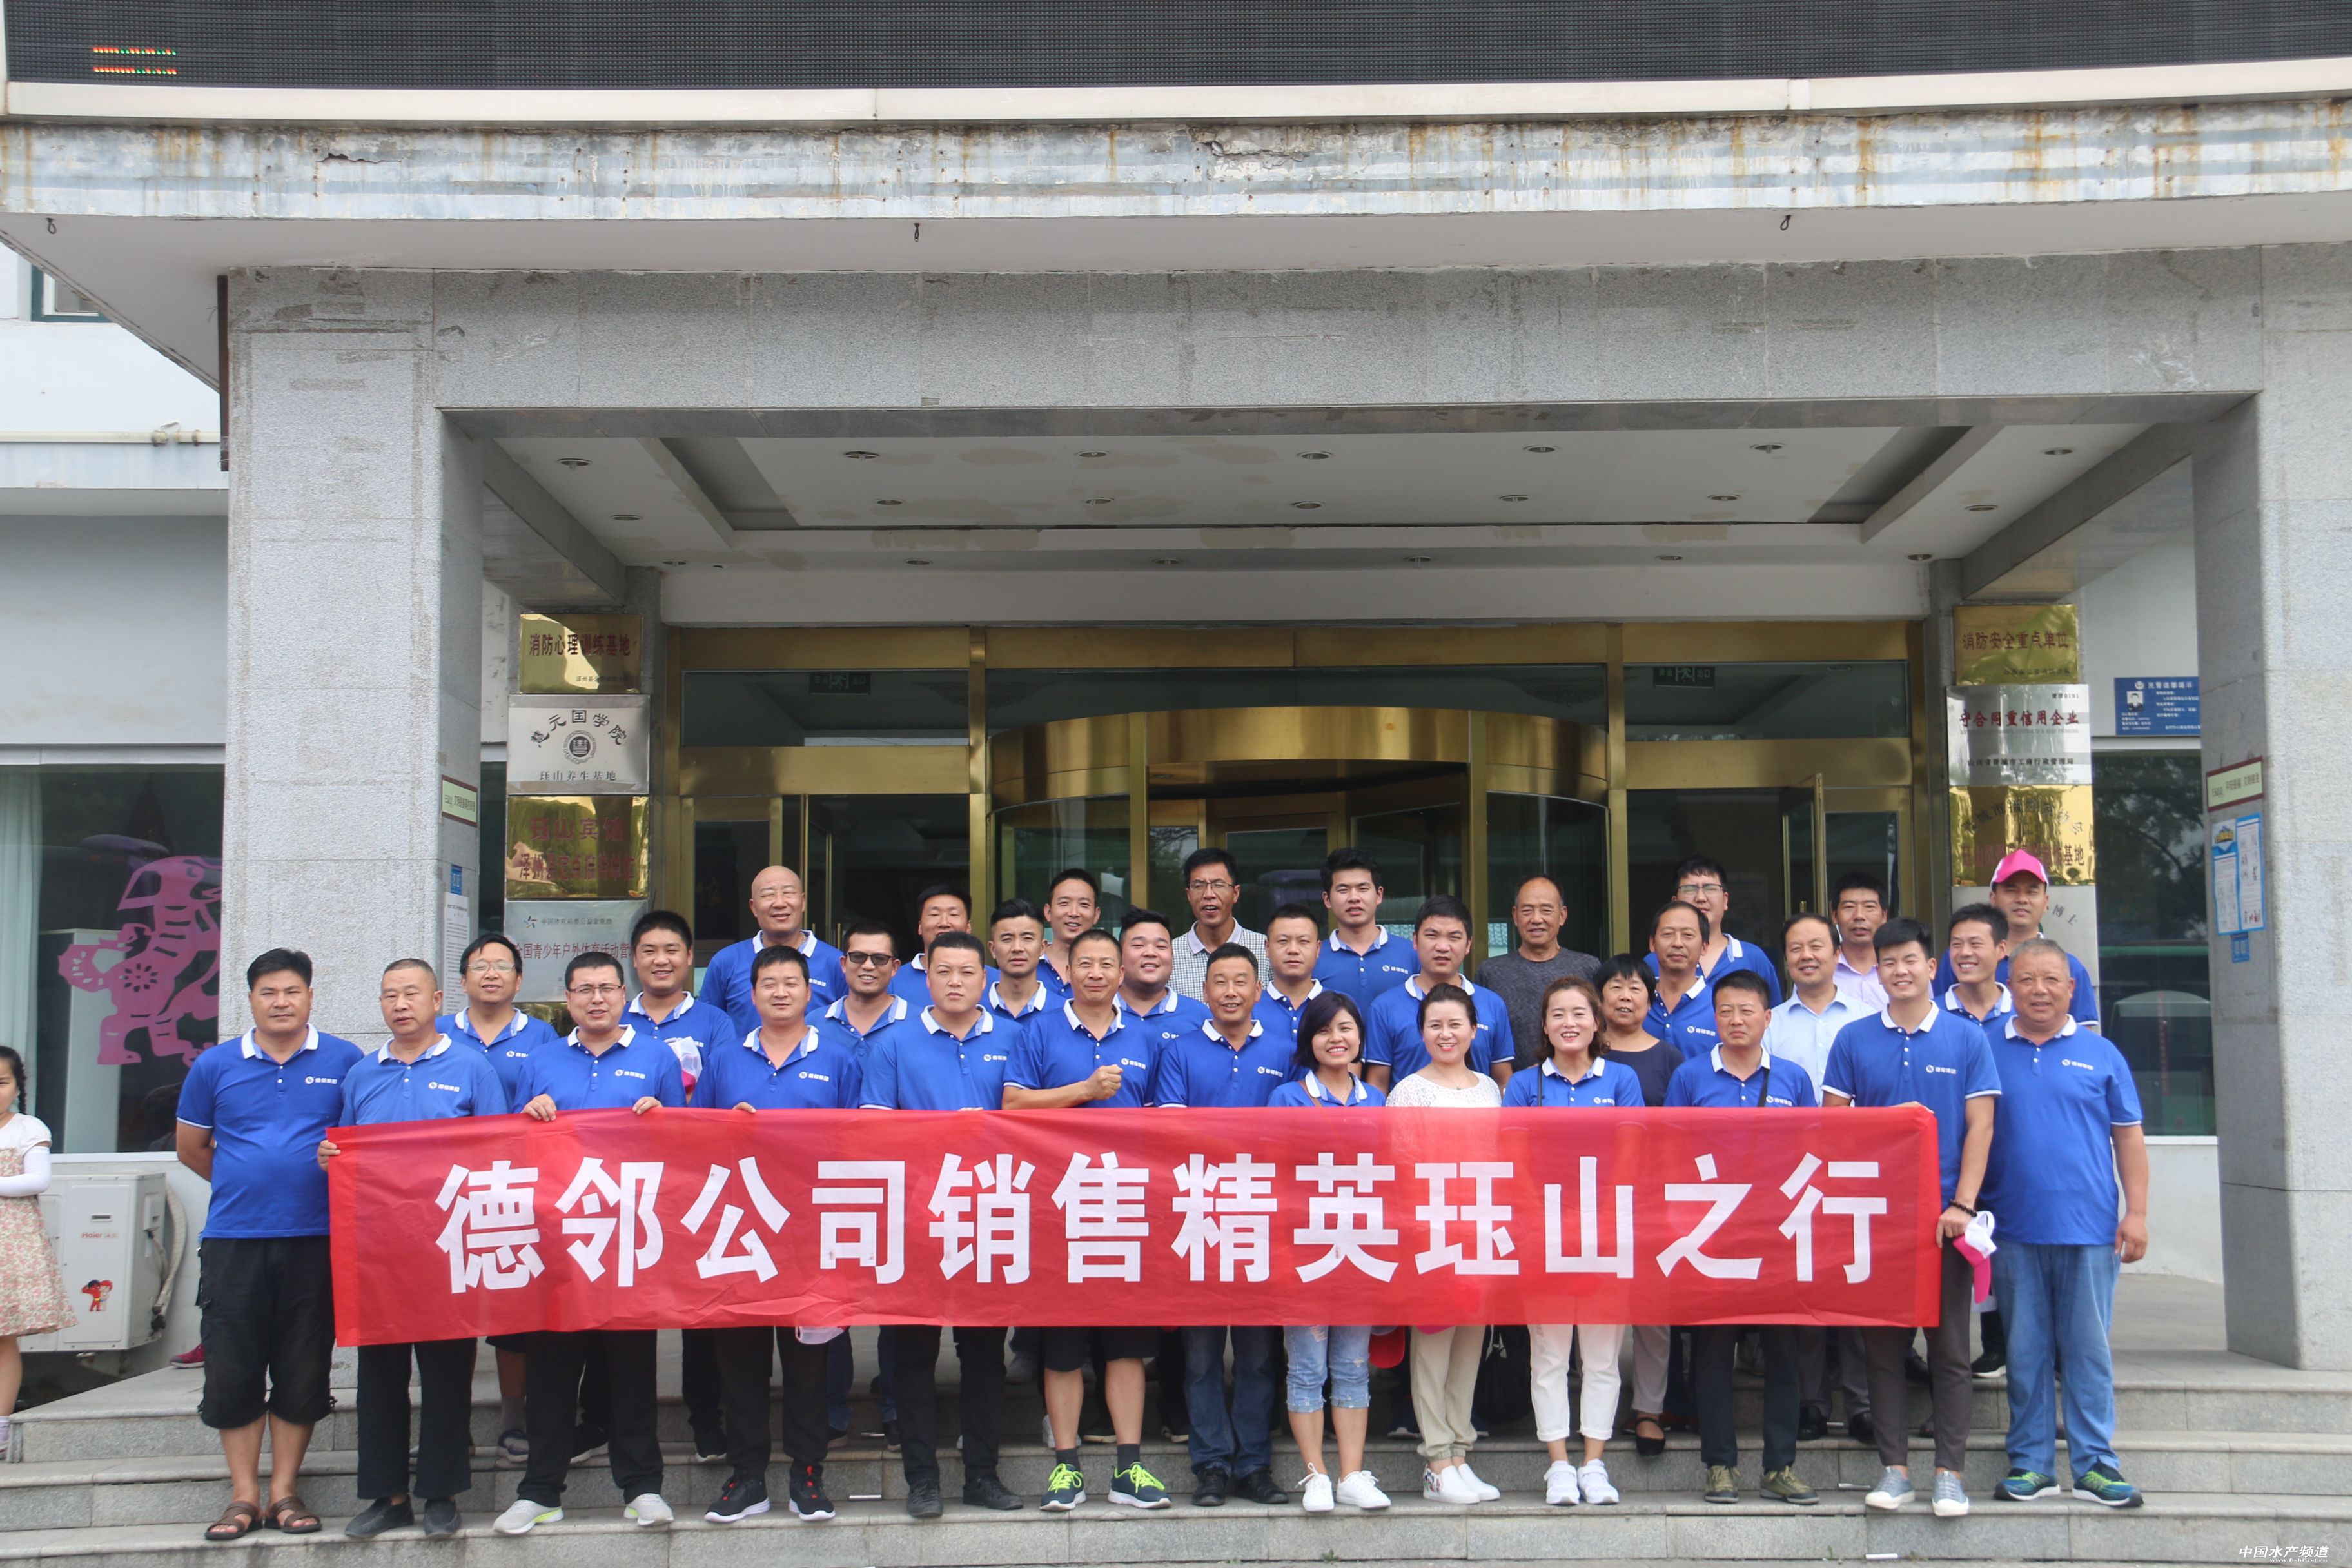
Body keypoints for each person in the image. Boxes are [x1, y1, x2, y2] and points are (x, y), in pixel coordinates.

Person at [495, 952, 684, 1536]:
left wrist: (662, 1119)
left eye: (606, 988)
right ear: (568, 998)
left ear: (624, 995)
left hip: (629, 1237)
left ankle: (642, 1486)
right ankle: (540, 1490)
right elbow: (512, 1151)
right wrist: (529, 1115)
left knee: (631, 1368)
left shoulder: (656, 1058)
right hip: (557, 1241)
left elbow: (685, 1150)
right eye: (584, 990)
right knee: (552, 1370)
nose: (596, 999)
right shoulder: (542, 1060)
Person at [175, 949, 362, 1543]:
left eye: (291, 991)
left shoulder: (345, 1060)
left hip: (317, 1239)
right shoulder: (215, 1065)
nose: (281, 1002)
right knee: (233, 1367)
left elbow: (362, 1142)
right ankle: (242, 1496)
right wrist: (248, 1182)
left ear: (310, 996)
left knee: (303, 1366)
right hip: (235, 1239)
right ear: (250, 999)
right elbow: (191, 1148)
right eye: (269, 993)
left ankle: (284, 1490)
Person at [320, 960, 507, 1540]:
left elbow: (500, 1153)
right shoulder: (362, 1074)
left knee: (446, 1374)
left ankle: (441, 1493)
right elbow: (345, 1148)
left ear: (436, 999)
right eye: (389, 996)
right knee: (380, 1376)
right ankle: (388, 1496)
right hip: (378, 1250)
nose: (400, 1005)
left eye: (410, 994)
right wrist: (331, 1158)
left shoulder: (471, 1067)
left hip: (448, 1245)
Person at [1822, 916, 2000, 1520]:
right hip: (1878, 1223)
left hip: (1946, 1222)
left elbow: (1981, 1127)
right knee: (1883, 1352)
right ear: (1877, 972)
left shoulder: (1965, 1039)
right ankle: (1894, 1470)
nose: (1900, 971)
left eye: (1910, 960)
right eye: (1888, 962)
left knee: (1950, 1351)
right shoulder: (1852, 1039)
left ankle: (1950, 1474)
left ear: (1931, 967)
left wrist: (1963, 1204)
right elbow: (1834, 1130)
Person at [694, 944, 866, 1527]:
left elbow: (858, 1145)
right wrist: (727, 1130)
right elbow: (693, 1143)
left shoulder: (837, 1058)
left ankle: (807, 1474)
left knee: (809, 1363)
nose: (781, 992)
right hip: (739, 1231)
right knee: (740, 1362)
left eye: (791, 982)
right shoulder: (725, 1059)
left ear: (810, 992)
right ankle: (746, 1477)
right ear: (752, 993)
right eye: (769, 983)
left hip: (810, 1233)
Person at [1002, 925, 1170, 1513]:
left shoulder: (1147, 1037)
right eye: (1085, 964)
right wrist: (1083, 1090)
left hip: (1125, 1206)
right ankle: (1066, 1467)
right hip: (1058, 1207)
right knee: (1062, 1346)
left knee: (1126, 1346)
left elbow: (1164, 1121)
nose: (1096, 973)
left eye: (1106, 964)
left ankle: (1130, 1467)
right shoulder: (1038, 1031)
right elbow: (1013, 1103)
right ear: (1066, 972)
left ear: (1122, 974)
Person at [1980, 937, 2148, 1510]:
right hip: (2012, 1228)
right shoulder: (1986, 1048)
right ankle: (2031, 1463)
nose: (2040, 990)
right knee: (2025, 1351)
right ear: (2010, 987)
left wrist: (2137, 1214)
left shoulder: (2102, 1054)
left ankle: (2097, 1464)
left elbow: (2129, 1138)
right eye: (2027, 979)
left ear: (2071, 988)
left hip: (2090, 1228)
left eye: (2051, 980)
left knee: (2087, 1351)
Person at [858, 931, 1020, 1519]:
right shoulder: (892, 1043)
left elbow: (1033, 1122)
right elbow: (874, 1133)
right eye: (944, 972)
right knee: (913, 1356)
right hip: (917, 1222)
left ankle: (982, 1474)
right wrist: (943, 1132)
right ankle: (922, 1479)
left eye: (967, 972)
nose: (955, 982)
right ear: (925, 978)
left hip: (991, 1216)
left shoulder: (1013, 1037)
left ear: (986, 978)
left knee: (984, 1356)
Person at [1665, 969, 1819, 1509]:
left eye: (1747, 1010)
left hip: (1777, 1236)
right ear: (1714, 1017)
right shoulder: (1689, 1077)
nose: (1736, 1020)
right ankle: (1719, 1466)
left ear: (1767, 1017)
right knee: (1712, 1355)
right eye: (1726, 1011)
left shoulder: (1794, 1079)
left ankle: (1781, 1467)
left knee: (1784, 1355)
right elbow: (1671, 1152)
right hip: (1713, 1239)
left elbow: (1814, 1152)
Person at [1156, 945, 1297, 1507]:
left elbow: (1298, 1134)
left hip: (1264, 1218)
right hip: (1200, 1216)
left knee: (1260, 1354)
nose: (1231, 991)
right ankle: (1211, 1464)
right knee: (1201, 1355)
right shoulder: (1179, 1050)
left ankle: (1255, 1464)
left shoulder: (1285, 1049)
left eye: (1242, 981)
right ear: (1205, 991)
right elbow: (1171, 1135)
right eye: (1221, 981)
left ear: (1258, 991)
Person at [1503, 977, 1640, 1507]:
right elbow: (1514, 1163)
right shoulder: (1523, 1085)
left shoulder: (1621, 1079)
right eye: (1558, 1014)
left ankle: (1594, 1463)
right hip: (1544, 1236)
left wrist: (1601, 1218)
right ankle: (1559, 1464)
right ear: (1544, 1025)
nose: (1569, 1023)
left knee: (1602, 1358)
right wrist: (1545, 1220)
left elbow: (1630, 1156)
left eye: (1579, 1013)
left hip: (1607, 1233)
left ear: (1596, 1022)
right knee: (1549, 1355)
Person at [439, 932, 563, 1460]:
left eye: (502, 965)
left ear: (519, 979)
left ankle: (514, 1418)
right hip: (450, 1192)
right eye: (480, 965)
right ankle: (453, 1422)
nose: (491, 973)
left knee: (514, 1310)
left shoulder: (543, 1037)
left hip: (520, 1189)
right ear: (462, 979)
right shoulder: (438, 1034)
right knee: (454, 1310)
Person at [1267, 992, 1391, 1513]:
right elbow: (1275, 1172)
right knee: (1306, 1368)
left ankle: (1352, 1475)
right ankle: (1315, 1475)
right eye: (1324, 1030)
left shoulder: (1377, 1101)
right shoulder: (1287, 1098)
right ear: (1308, 1040)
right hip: (1305, 1250)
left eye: (1346, 1028)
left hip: (1360, 1249)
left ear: (1360, 1037)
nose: (1336, 1039)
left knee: (1353, 1366)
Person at [1386, 984, 1504, 1505]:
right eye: (1435, 1025)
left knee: (1469, 1346)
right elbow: (1401, 1169)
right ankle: (1436, 1460)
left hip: (1481, 1230)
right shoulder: (1409, 1091)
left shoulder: (1489, 1089)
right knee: (1433, 1347)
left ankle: (1459, 1450)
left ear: (1474, 1030)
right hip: (1431, 1233)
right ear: (1421, 1033)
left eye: (1455, 1024)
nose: (1446, 1034)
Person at [1761, 911, 1872, 1445]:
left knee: (1854, 1290)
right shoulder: (1771, 1024)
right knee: (1803, 1289)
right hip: (1793, 1175)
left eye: (1816, 946)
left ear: (1837, 953)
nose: (1806, 956)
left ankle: (1862, 1404)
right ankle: (1810, 1402)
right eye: (1795, 948)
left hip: (1857, 1172)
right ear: (1785, 959)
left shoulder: (1870, 1017)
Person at [624, 908, 727, 1461]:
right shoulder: (613, 1015)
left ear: (690, 959)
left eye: (671, 951)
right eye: (649, 951)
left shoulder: (715, 1023)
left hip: (696, 1182)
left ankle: (706, 1420)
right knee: (623, 1306)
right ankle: (606, 1419)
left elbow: (725, 1091)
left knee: (700, 1308)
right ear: (634, 960)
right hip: (627, 1186)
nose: (660, 961)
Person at [812, 919, 908, 1440]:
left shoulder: (918, 1025)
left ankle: (894, 1404)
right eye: (858, 957)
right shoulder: (813, 1025)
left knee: (897, 1301)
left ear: (896, 967)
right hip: (829, 1183)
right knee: (832, 1298)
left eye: (879, 959)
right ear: (842, 964)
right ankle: (832, 1408)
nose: (868, 966)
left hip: (902, 1183)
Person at [1591, 955, 1685, 1458]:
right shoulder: (1582, 1051)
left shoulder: (1669, 1057)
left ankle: (1649, 1408)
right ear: (1598, 998)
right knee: (1593, 1302)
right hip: (1590, 1197)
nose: (1625, 997)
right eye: (1615, 987)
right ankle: (1593, 1408)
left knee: (1653, 1308)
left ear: (1652, 1000)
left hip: (1652, 1195)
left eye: (1635, 989)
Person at [1933, 850, 2102, 1030]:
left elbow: (2082, 1039)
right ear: (1993, 899)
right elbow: (1937, 1019)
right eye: (2011, 890)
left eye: (2032, 891)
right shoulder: (1961, 959)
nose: (2022, 899)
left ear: (2045, 902)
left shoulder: (2070, 967)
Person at [1362, 896, 1513, 1092]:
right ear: (1415, 941)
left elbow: (1503, 1083)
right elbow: (1377, 1085)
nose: (1442, 947)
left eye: (1454, 937)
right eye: (1432, 936)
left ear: (1468, 944)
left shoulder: (1493, 1005)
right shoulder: (1384, 1008)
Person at [0, 1045, 69, 1463]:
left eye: (2, 1082)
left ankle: (1, 1425)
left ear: (17, 1087)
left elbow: (38, 1179)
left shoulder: (27, 1128)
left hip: (10, 1241)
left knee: (2, 1336)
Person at [700, 865, 848, 1038]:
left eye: (788, 893)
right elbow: (708, 1026)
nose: (780, 903)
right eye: (768, 895)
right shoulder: (726, 962)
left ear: (803, 902)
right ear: (754, 907)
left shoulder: (837, 963)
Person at [1477, 874, 1603, 1061]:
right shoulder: (1490, 972)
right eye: (1527, 911)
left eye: (1546, 910)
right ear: (1515, 916)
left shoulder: (1589, 968)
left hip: (1576, 1076)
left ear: (1562, 915)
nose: (1536, 919)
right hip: (1509, 1078)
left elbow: (1603, 1032)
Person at [1645, 857, 1781, 1004]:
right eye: (1690, 889)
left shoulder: (1754, 958)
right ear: (1675, 902)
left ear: (1725, 900)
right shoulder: (1654, 961)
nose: (1701, 898)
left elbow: (1774, 1014)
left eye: (1710, 888)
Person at [1313, 848, 1415, 1004]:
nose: (1354, 898)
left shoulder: (1412, 953)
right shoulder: (1314, 958)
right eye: (1343, 890)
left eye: (1363, 889)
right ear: (1327, 899)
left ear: (1379, 895)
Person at [1169, 848, 1266, 1001]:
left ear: (1236, 893)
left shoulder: (1266, 950)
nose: (1208, 894)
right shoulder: (1170, 956)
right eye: (1198, 886)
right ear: (1188, 895)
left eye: (1218, 885)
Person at [1113, 908, 1214, 1054]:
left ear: (1172, 955)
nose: (1150, 953)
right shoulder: (1100, 1010)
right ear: (1119, 953)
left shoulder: (1200, 1016)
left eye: (1160, 946)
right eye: (1138, 945)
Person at [892, 885, 1000, 1004]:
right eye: (934, 915)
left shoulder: (998, 981)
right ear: (920, 927)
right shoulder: (892, 980)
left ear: (968, 927)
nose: (944, 923)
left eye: (954, 915)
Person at [1644, 901, 1721, 1059]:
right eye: (1668, 934)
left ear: (1704, 946)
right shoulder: (1636, 1003)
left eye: (1688, 935)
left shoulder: (1719, 1005)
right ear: (1652, 943)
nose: (1677, 943)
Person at [1251, 902, 1327, 1052]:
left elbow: (1351, 1066)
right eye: (1283, 941)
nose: (1293, 950)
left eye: (1303, 941)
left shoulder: (1339, 1007)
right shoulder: (1249, 1008)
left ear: (1318, 948)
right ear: (1267, 947)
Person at [983, 897, 1054, 1027]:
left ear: (1042, 948)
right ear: (993, 949)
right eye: (1007, 939)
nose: (1017, 948)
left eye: (1027, 938)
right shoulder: (973, 1010)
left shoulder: (1064, 1012)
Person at [1942, 902, 2015, 1028]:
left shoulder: (2024, 1014)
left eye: (1975, 944)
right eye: (1957, 944)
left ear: (2001, 949)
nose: (1964, 952)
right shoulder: (1930, 1014)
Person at [1038, 867, 1102, 1001]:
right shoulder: (1028, 964)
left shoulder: (1107, 970)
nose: (1074, 913)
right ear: (1048, 912)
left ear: (1096, 915)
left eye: (1084, 905)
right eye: (1064, 903)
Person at [1831, 873, 1891, 1010]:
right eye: (1849, 907)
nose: (1859, 916)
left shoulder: (1903, 969)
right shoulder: (1821, 970)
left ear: (1884, 916)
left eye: (1869, 907)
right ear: (1834, 916)